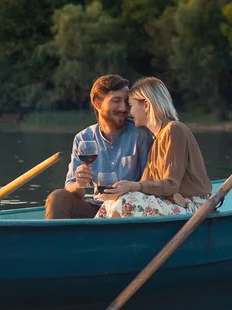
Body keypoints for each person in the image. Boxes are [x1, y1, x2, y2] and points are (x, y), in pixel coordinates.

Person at [95, 76, 212, 218]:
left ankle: (115, 239)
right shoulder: (156, 139)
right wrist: (121, 189)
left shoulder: (174, 130)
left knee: (126, 201)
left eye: (131, 105)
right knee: (110, 202)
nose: (129, 112)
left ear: (146, 105)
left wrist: (132, 186)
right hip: (170, 204)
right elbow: (146, 184)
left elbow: (171, 185)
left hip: (194, 206)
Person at [45, 74, 154, 219]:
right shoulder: (83, 138)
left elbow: (151, 181)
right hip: (98, 207)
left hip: (131, 209)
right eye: (116, 101)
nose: (124, 108)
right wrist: (79, 183)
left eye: (127, 102)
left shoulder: (141, 134)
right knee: (58, 197)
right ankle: (58, 241)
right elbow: (71, 187)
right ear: (97, 103)